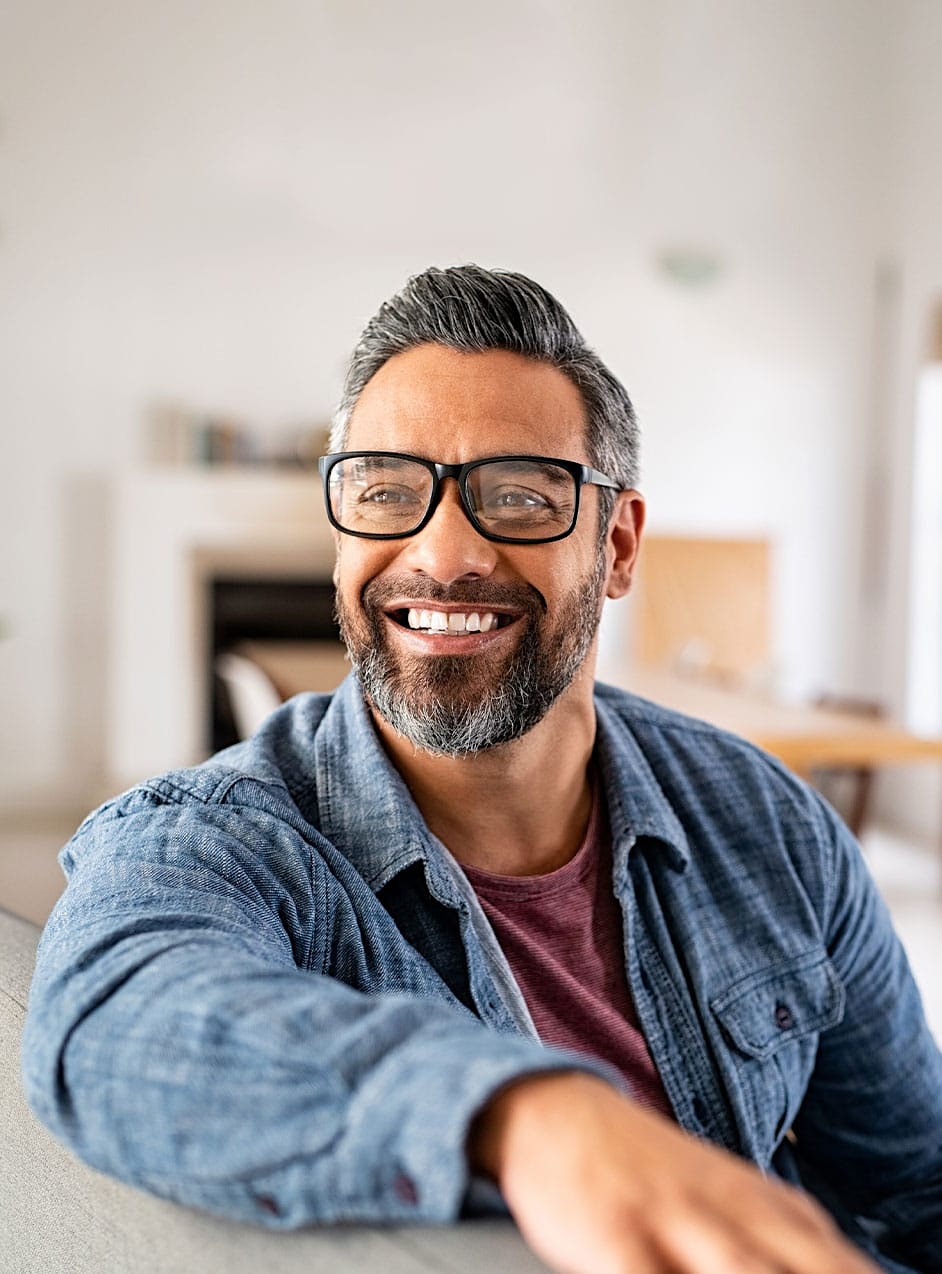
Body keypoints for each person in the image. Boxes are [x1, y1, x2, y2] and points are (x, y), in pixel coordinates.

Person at [22, 266, 941, 1274]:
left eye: (517, 495)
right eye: (385, 492)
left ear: (619, 543)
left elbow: (914, 1185)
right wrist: (531, 1115)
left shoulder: (769, 823)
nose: (444, 551)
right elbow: (115, 1025)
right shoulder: (219, 836)